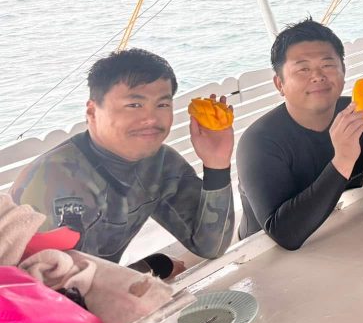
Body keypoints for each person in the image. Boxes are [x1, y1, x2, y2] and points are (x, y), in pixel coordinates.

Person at [12, 49, 234, 277]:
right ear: (92, 111)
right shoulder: (55, 183)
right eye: (134, 105)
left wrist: (216, 164)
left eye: (162, 105)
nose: (151, 118)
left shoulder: (160, 163)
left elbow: (210, 246)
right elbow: (55, 288)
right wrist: (150, 269)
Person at [236, 19, 363, 250]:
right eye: (303, 69)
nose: (318, 76)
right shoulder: (258, 142)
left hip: (335, 233)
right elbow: (284, 234)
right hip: (261, 254)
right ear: (280, 84)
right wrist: (343, 160)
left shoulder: (356, 115)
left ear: (343, 72)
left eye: (328, 65)